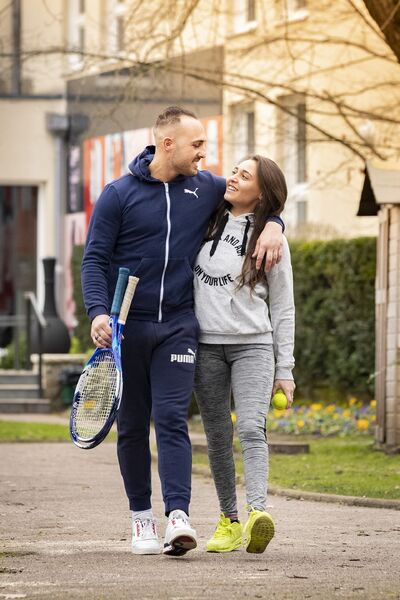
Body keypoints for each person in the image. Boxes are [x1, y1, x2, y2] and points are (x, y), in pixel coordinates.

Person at [81, 107, 285, 557]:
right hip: (126, 329)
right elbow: (94, 260)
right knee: (132, 426)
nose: (204, 155)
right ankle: (141, 520)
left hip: (178, 325)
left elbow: (261, 199)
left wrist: (275, 225)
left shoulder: (206, 187)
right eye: (197, 145)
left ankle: (178, 516)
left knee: (171, 419)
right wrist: (98, 312)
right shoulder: (118, 195)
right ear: (167, 144)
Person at [193, 155, 295, 554]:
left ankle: (257, 514)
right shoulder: (205, 219)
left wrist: (284, 367)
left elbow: (283, 307)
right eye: (234, 170)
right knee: (217, 437)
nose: (233, 177)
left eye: (244, 175)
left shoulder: (272, 238)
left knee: (252, 428)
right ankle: (229, 521)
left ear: (262, 192)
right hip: (204, 344)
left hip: (253, 343)